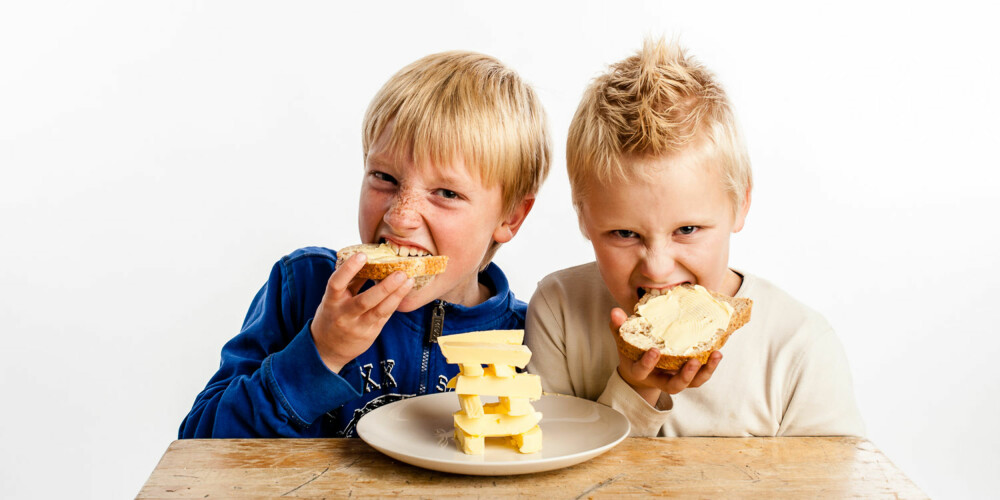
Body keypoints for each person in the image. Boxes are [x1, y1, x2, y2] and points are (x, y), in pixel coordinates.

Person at [180, 51, 550, 438]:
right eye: (384, 177)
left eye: (445, 192)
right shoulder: (303, 288)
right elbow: (199, 446)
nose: (400, 216)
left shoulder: (530, 339)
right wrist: (321, 352)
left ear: (510, 218)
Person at [525, 39, 863, 437]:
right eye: (624, 234)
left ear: (740, 205)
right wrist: (638, 386)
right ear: (584, 219)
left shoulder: (798, 347)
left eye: (686, 230)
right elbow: (548, 477)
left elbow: (834, 484)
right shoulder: (559, 311)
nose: (657, 266)